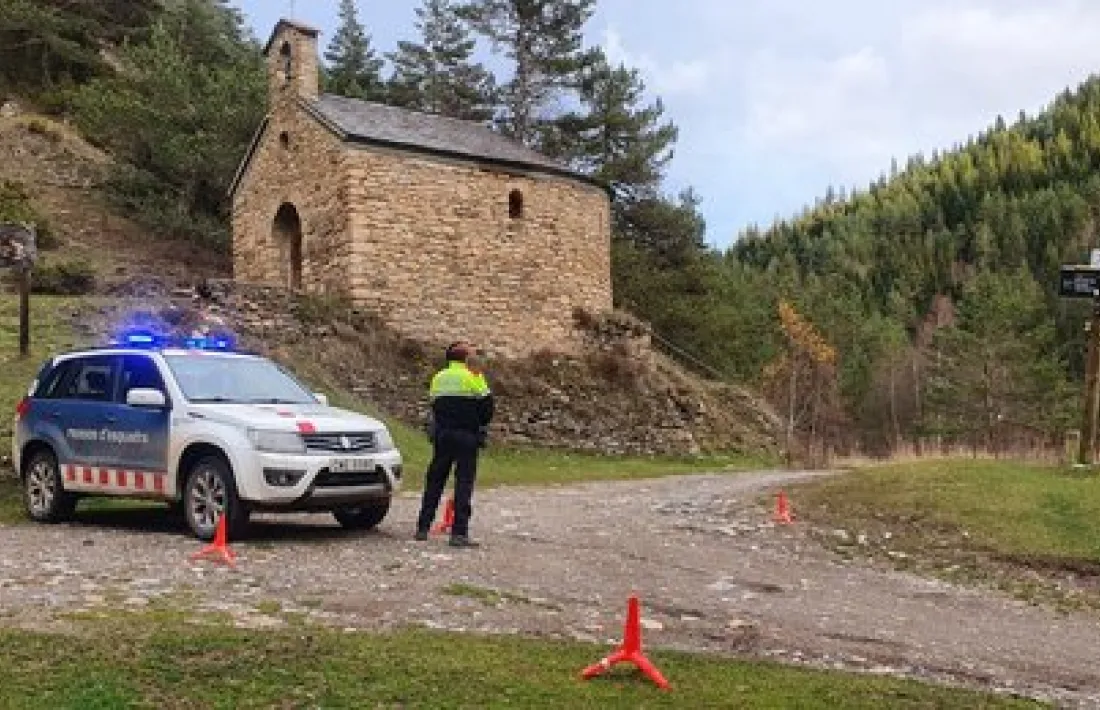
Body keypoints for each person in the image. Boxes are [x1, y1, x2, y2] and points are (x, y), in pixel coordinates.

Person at [415, 341, 494, 547]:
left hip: (443, 435)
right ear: (466, 358)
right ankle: (459, 533)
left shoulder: (438, 377)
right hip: (466, 436)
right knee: (463, 483)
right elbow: (487, 409)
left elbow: (434, 405)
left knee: (435, 481)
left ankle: (423, 527)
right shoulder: (473, 376)